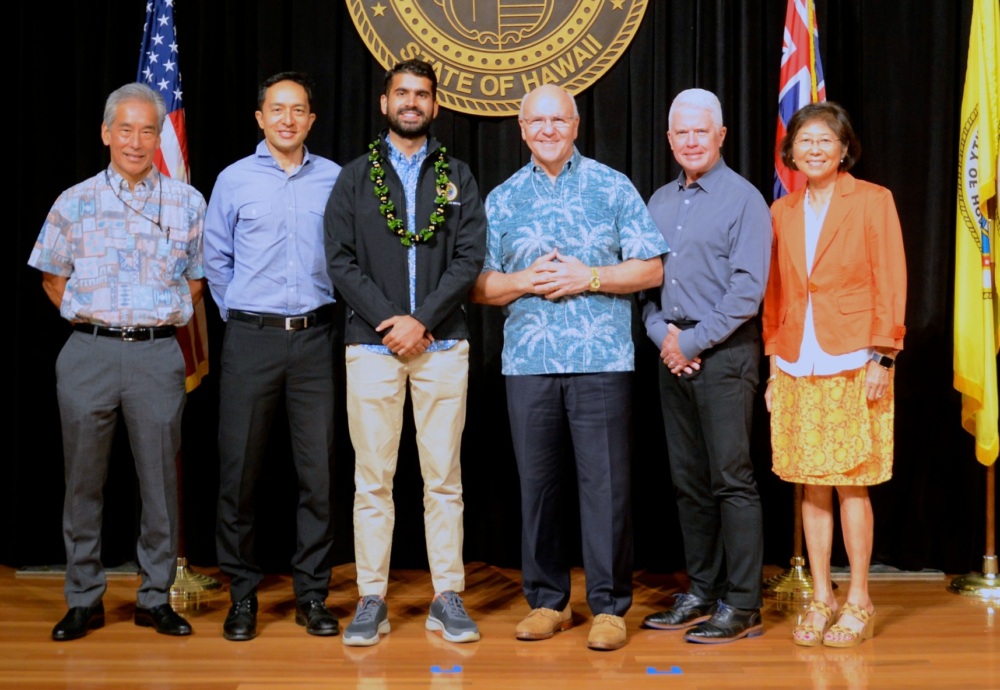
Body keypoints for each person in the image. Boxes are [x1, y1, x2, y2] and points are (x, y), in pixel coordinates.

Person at [472, 84, 668, 652]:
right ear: (522, 128)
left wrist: (592, 278)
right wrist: (521, 282)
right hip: (528, 363)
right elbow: (479, 283)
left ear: (576, 125)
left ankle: (608, 608)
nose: (548, 129)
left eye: (558, 119)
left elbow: (651, 269)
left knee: (605, 487)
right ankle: (546, 602)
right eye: (538, 121)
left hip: (601, 360)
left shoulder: (612, 186)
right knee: (537, 487)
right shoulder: (504, 198)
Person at [29, 82, 202, 641]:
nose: (135, 140)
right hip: (89, 354)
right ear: (106, 133)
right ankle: (83, 598)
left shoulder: (185, 203)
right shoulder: (72, 201)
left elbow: (197, 282)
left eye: (146, 129)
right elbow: (52, 277)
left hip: (156, 356)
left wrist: (156, 312)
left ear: (159, 135)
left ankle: (155, 598)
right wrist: (95, 315)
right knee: (83, 484)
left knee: (159, 485)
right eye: (124, 129)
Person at [325, 59, 486, 647]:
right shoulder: (353, 178)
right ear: (384, 103)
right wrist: (392, 323)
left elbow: (469, 259)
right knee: (374, 480)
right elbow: (339, 260)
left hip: (443, 346)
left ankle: (448, 597)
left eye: (422, 94)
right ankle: (372, 598)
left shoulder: (459, 177)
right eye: (402, 93)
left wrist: (421, 321)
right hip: (371, 346)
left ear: (435, 106)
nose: (412, 102)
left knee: (444, 479)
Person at [764, 101, 906, 648]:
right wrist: (775, 364)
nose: (815, 148)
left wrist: (884, 355)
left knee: (852, 482)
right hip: (798, 360)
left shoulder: (873, 201)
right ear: (791, 151)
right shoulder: (781, 211)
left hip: (855, 359)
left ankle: (859, 598)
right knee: (811, 482)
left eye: (826, 139)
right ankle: (821, 595)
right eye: (805, 140)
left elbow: (890, 278)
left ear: (844, 148)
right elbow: (775, 294)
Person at [205, 72, 341, 641]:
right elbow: (215, 261)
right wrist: (245, 316)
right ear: (260, 117)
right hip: (252, 340)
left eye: (299, 110)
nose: (288, 119)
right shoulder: (233, 179)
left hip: (316, 339)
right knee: (239, 474)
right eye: (277, 109)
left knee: (319, 475)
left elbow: (349, 256)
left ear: (311, 119)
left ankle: (312, 595)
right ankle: (242, 595)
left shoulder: (336, 178)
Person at [640, 88, 771, 644]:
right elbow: (644, 283)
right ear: (670, 140)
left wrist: (692, 344)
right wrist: (663, 338)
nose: (691, 141)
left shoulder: (745, 200)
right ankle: (702, 590)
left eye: (702, 131)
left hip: (724, 355)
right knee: (688, 483)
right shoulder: (658, 201)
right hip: (672, 354)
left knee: (731, 481)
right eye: (681, 133)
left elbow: (747, 292)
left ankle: (742, 604)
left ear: (720, 136)